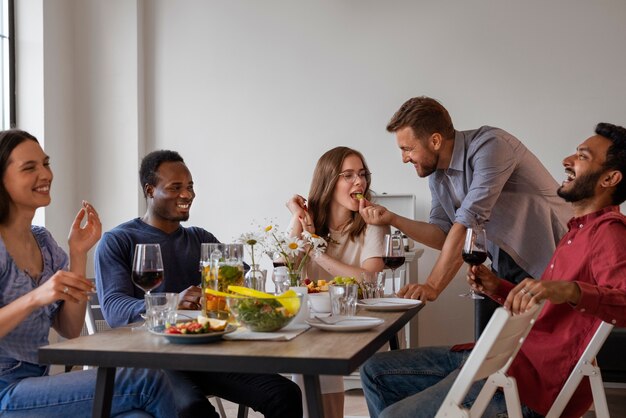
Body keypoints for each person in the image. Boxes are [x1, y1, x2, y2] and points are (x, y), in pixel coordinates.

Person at [360, 123, 626, 418]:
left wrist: (569, 289)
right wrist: (497, 287)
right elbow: (547, 309)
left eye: (583, 156)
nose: (567, 161)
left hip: (530, 386)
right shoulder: (576, 232)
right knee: (374, 370)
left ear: (610, 178)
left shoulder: (608, 233)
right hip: (510, 359)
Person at [95, 150, 302, 418]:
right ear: (150, 190)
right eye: (176, 187)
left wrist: (277, 263)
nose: (188, 194)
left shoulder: (201, 238)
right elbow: (114, 309)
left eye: (190, 187)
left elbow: (244, 285)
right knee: (194, 410)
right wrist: (173, 301)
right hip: (153, 361)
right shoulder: (119, 240)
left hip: (208, 356)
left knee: (285, 394)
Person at [359, 96, 572, 337]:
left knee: (548, 356)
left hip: (552, 259)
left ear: (436, 140)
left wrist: (432, 286)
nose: (404, 158)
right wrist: (392, 219)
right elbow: (443, 236)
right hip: (505, 264)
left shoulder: (491, 147)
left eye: (408, 149)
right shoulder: (438, 177)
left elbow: (468, 223)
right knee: (495, 360)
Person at [0, 129, 177, 417]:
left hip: (34, 384)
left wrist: (78, 253)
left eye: (45, 163)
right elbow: (38, 301)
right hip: (5, 391)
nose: (45, 174)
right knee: (148, 380)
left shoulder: (43, 243)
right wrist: (35, 297)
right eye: (29, 168)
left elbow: (70, 330)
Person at [286, 146, 388, 418]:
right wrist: (297, 218)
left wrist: (316, 252)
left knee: (316, 347)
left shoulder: (372, 222)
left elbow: (369, 279)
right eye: (349, 175)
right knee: (310, 342)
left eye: (363, 174)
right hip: (314, 323)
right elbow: (284, 271)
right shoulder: (309, 223)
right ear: (328, 182)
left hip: (359, 320)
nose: (360, 182)